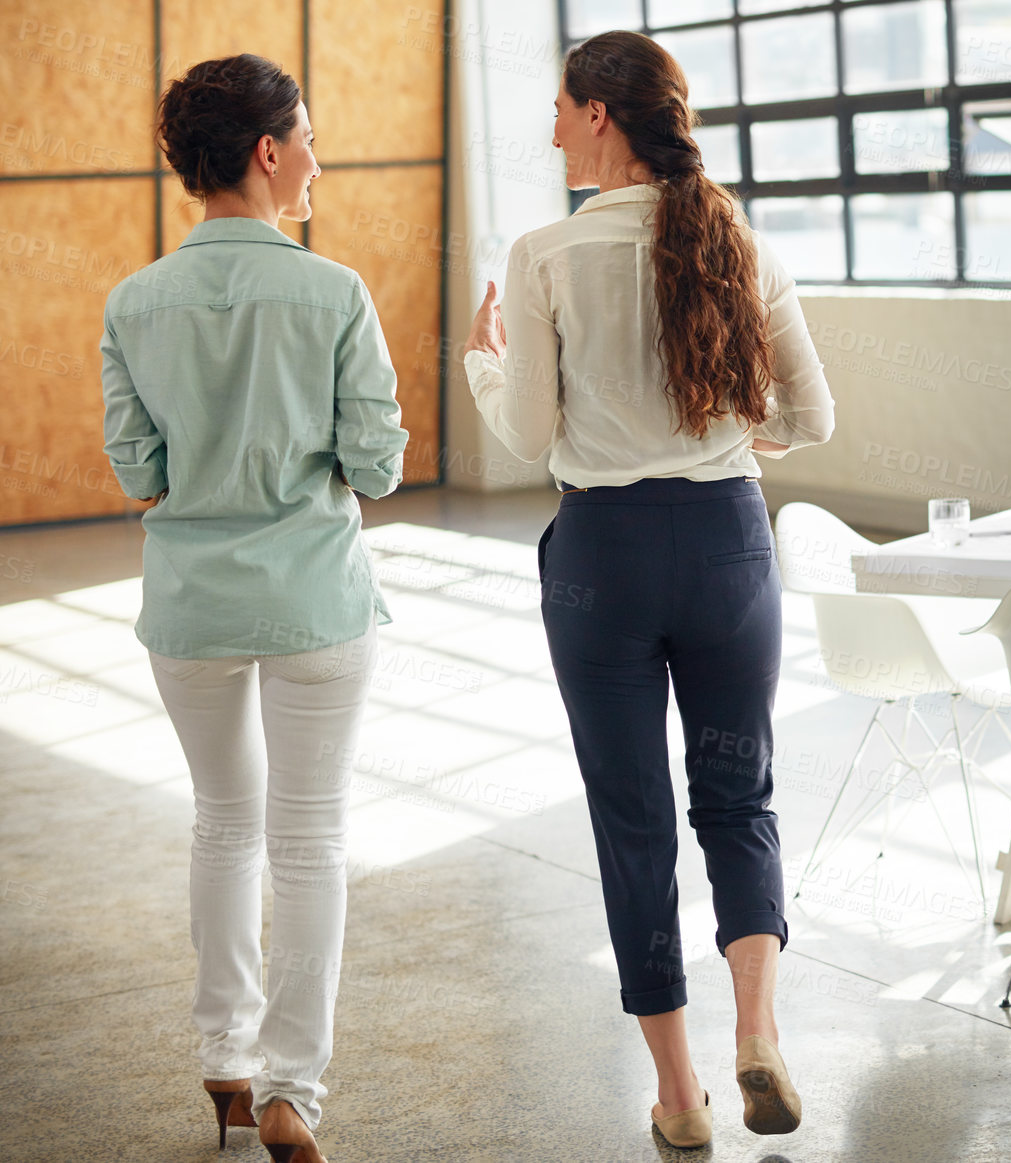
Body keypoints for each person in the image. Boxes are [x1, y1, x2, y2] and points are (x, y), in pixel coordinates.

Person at [462, 29, 835, 1152]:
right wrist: (731, 433)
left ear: (600, 118)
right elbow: (811, 419)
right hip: (727, 546)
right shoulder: (737, 238)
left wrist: (482, 359)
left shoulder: (541, 257)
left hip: (603, 559)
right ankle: (757, 1028)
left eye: (564, 109)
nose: (552, 128)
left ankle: (678, 1095)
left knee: (633, 822)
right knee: (740, 796)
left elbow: (528, 431)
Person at [100, 53, 408, 1163]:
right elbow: (373, 466)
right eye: (309, 137)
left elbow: (140, 469)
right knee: (309, 836)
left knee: (222, 824)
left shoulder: (134, 300)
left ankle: (225, 1064)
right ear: (269, 152)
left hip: (188, 607)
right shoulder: (333, 292)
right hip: (316, 601)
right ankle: (293, 1089)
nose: (317, 160)